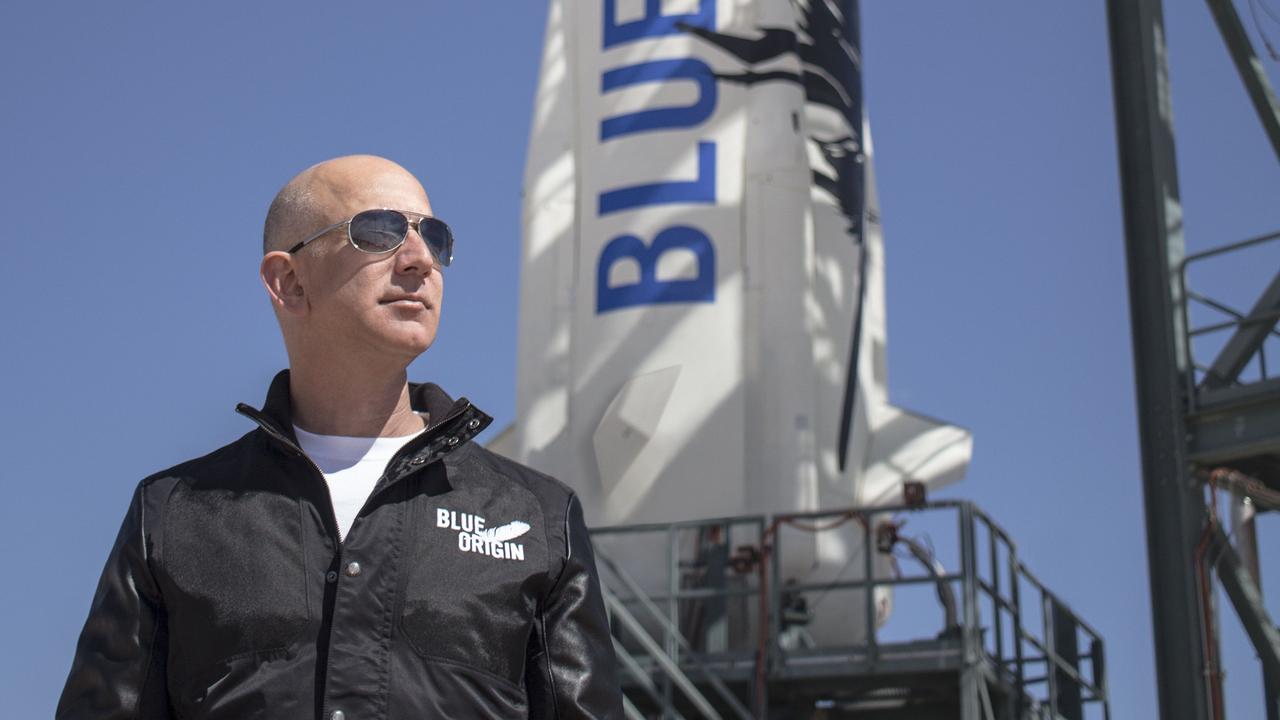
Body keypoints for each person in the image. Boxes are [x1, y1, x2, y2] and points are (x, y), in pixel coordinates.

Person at [56, 155, 624, 719]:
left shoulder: (537, 518)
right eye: (381, 231)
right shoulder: (175, 516)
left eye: (435, 236)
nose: (420, 259)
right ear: (289, 281)